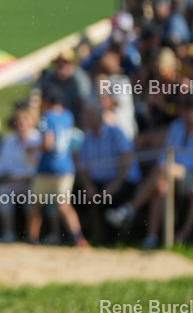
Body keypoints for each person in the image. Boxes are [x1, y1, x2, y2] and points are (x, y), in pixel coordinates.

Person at [108, 94, 193, 248]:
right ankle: (151, 238)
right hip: (171, 174)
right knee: (160, 188)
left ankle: (130, 209)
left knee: (165, 169)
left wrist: (170, 168)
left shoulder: (176, 126)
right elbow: (165, 155)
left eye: (190, 108)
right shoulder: (176, 126)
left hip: (188, 177)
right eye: (185, 108)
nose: (186, 112)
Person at [27, 90, 87, 247]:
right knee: (64, 205)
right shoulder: (68, 115)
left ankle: (33, 239)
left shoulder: (46, 117)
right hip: (66, 167)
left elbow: (48, 144)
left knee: (36, 204)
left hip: (48, 167)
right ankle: (78, 237)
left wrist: (33, 149)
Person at [75, 101, 139, 246]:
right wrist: (88, 186)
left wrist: (116, 184)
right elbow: (83, 166)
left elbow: (126, 159)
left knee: (111, 198)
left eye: (87, 115)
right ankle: (87, 237)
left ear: (98, 116)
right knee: (77, 194)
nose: (84, 118)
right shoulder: (88, 137)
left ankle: (112, 241)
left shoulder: (116, 132)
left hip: (123, 180)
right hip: (100, 182)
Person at [0, 106, 41, 243]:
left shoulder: (38, 140)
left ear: (32, 122)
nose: (21, 123)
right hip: (11, 184)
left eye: (25, 119)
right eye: (18, 120)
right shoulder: (8, 140)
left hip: (33, 184)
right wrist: (1, 176)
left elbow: (38, 167)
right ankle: (8, 233)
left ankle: (32, 236)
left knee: (34, 197)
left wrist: (20, 177)